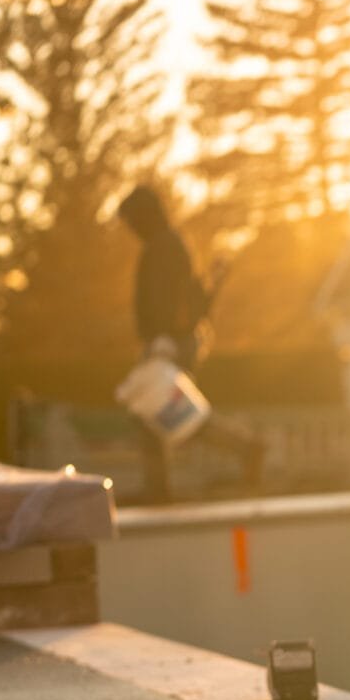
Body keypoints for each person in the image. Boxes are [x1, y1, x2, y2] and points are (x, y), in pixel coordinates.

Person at [117, 185, 264, 503]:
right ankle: (240, 449)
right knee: (162, 412)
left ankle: (243, 448)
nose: (129, 227)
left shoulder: (165, 247)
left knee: (167, 412)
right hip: (169, 340)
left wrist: (163, 340)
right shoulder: (166, 244)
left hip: (169, 343)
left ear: (144, 215)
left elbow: (171, 301)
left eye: (131, 219)